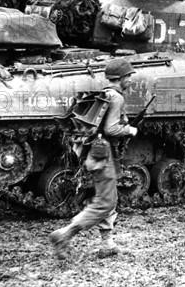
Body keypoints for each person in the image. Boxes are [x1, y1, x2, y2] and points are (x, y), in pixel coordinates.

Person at [49, 58, 138, 259]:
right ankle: (65, 234)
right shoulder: (117, 98)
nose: (130, 80)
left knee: (109, 199)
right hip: (104, 156)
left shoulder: (105, 94)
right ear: (120, 77)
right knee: (105, 203)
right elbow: (111, 129)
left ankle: (107, 244)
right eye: (129, 76)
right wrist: (129, 130)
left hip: (100, 154)